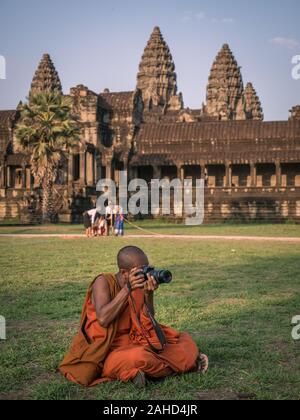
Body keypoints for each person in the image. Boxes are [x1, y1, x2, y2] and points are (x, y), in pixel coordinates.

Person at [59, 246, 208, 388]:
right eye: (141, 270)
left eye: (148, 268)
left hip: (136, 340)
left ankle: (138, 373)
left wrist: (149, 294)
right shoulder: (103, 282)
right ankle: (172, 367)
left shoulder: (137, 285)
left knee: (184, 343)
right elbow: (103, 318)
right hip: (108, 350)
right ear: (124, 273)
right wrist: (127, 289)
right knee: (139, 357)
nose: (146, 273)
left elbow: (148, 318)